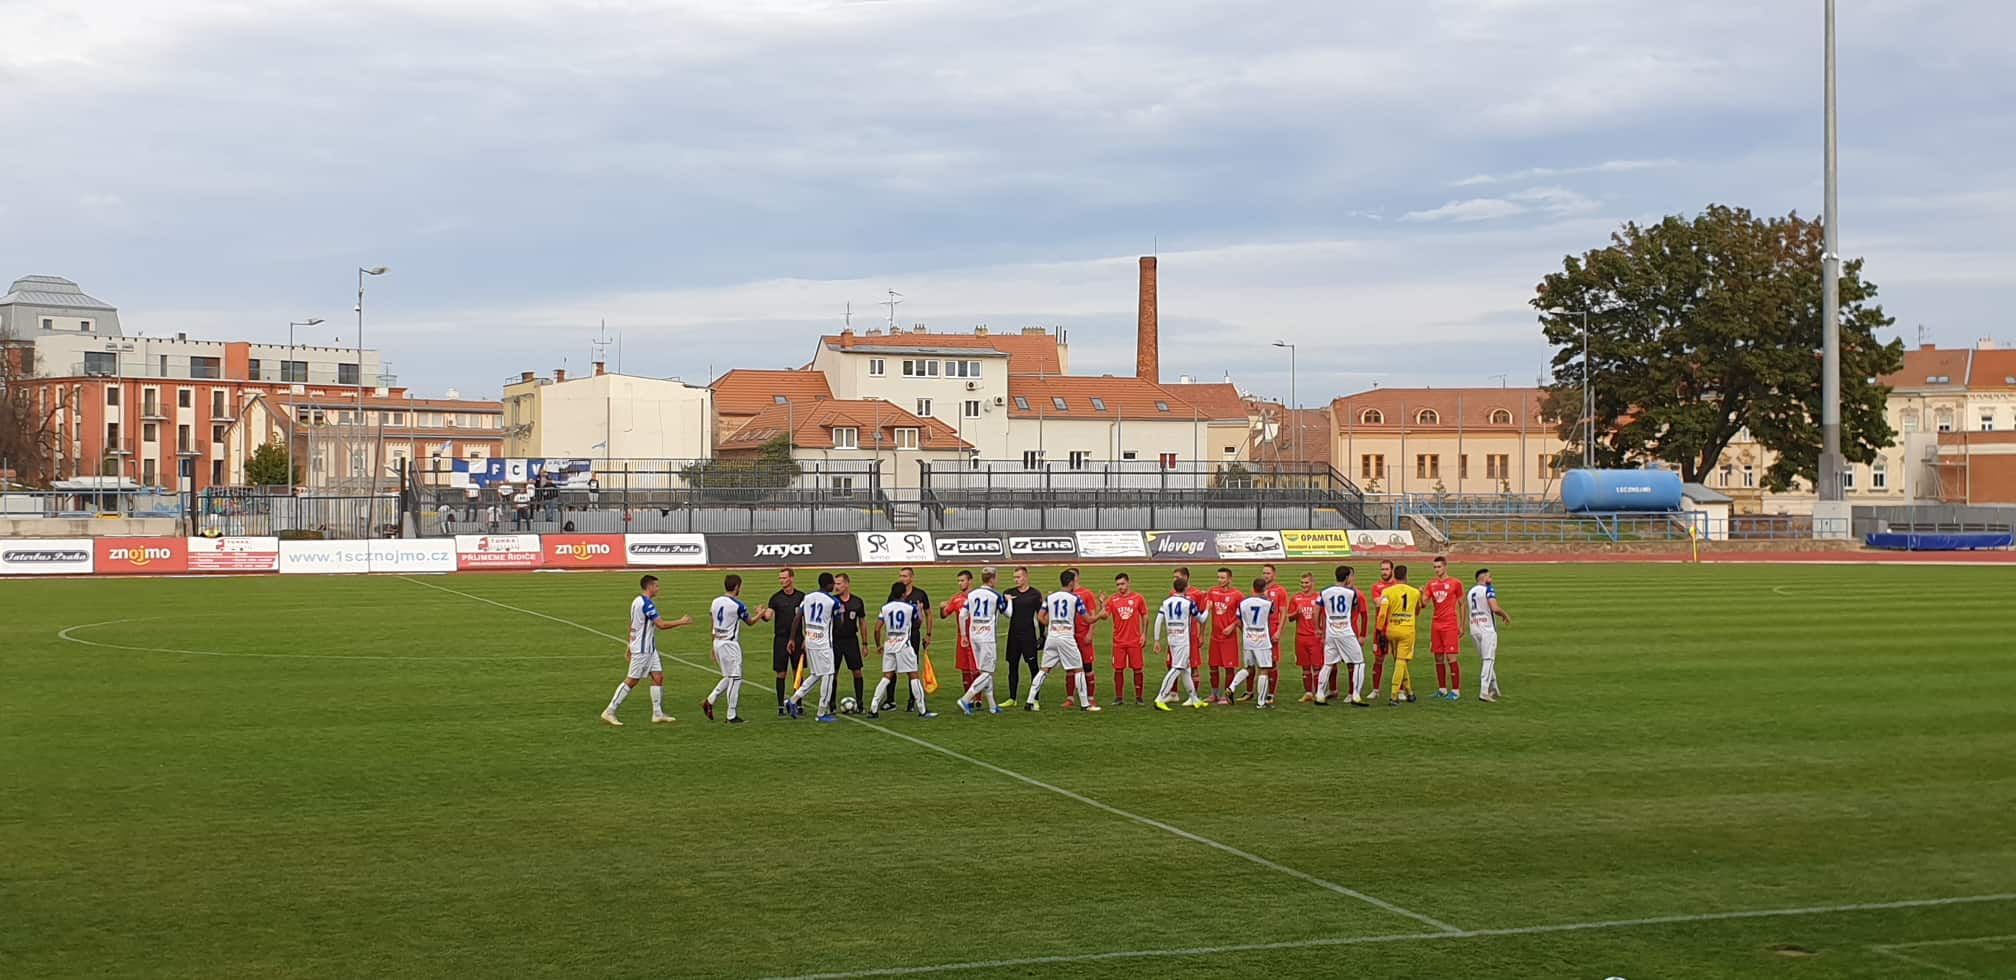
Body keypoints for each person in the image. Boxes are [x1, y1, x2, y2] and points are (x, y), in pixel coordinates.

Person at [601, 574, 692, 726]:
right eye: (656, 586)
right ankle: (610, 711)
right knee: (632, 680)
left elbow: (632, 625)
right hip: (643, 650)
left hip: (649, 649)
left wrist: (629, 645)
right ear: (649, 586)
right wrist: (682, 621)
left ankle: (657, 713)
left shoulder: (636, 601)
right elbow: (661, 625)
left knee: (658, 677)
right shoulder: (647, 604)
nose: (658, 589)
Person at [1027, 569, 1099, 712]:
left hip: (1052, 636)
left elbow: (1041, 617)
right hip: (1066, 637)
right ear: (1071, 582)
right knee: (1079, 669)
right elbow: (1088, 619)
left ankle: (1030, 700)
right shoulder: (1075, 598)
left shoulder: (1051, 597)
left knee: (1044, 669)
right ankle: (1085, 704)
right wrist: (1101, 614)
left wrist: (1053, 622)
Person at [699, 574, 760, 724]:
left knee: (728, 676)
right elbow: (750, 622)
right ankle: (731, 715)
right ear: (737, 587)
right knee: (736, 678)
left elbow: (712, 622)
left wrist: (712, 644)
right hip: (730, 645)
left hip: (718, 642)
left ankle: (710, 701)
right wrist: (760, 613)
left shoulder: (715, 601)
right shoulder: (737, 605)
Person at [869, 589, 936, 719]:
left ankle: (873, 708)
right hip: (904, 645)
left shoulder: (885, 608)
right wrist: (920, 613)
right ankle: (922, 710)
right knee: (913, 675)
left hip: (889, 645)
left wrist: (878, 645)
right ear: (903, 594)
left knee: (887, 676)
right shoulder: (909, 608)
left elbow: (877, 629)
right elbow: (917, 624)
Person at [786, 573, 843, 721]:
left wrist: (792, 638)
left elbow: (798, 618)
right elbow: (839, 623)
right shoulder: (833, 601)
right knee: (829, 674)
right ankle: (821, 712)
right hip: (823, 643)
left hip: (810, 640)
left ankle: (793, 700)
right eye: (834, 584)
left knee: (816, 674)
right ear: (829, 585)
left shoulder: (808, 597)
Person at [1152, 574, 1209, 710]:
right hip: (1184, 639)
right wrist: (1208, 608)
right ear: (1186, 588)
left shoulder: (1166, 602)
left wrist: (1156, 639)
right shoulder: (1188, 603)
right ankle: (1160, 698)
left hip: (1172, 638)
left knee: (1186, 669)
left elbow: (1158, 620)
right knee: (1177, 667)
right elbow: (1201, 619)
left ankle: (1194, 698)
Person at [955, 567, 1006, 715]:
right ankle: (966, 699)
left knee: (984, 670)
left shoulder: (971, 595)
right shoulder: (995, 595)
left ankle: (992, 705)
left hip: (974, 635)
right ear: (992, 579)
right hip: (987, 637)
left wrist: (964, 636)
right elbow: (1008, 613)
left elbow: (962, 615)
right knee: (988, 672)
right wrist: (1009, 602)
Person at [1318, 565, 1370, 706]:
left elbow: (1319, 610)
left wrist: (1319, 628)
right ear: (1347, 577)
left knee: (1328, 664)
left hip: (1330, 632)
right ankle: (1356, 695)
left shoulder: (1325, 592)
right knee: (1359, 662)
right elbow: (1359, 611)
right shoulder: (1352, 593)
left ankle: (1320, 694)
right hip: (1346, 631)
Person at [1224, 577, 1279, 708]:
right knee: (1264, 670)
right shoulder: (1268, 603)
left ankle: (1231, 687)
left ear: (1252, 588)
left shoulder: (1243, 603)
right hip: (1262, 640)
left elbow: (1238, 619)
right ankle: (1261, 702)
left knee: (1249, 668)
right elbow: (1272, 612)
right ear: (1264, 589)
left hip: (1248, 638)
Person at [886, 568, 932, 711]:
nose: (902, 578)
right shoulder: (894, 595)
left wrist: (929, 634)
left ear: (912, 578)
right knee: (891, 668)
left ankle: (912, 700)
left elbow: (929, 614)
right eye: (900, 576)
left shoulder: (920, 594)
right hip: (897, 637)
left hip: (913, 635)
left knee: (912, 668)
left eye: (905, 576)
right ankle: (890, 700)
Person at [1377, 564, 1423, 705]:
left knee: (1399, 661)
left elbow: (1382, 613)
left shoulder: (1387, 591)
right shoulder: (1415, 592)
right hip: (1407, 630)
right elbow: (1417, 611)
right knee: (1401, 661)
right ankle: (1394, 695)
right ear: (1406, 575)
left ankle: (1409, 692)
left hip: (1392, 629)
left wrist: (1379, 630)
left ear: (1394, 576)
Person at [1423, 555, 1466, 700]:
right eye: (1435, 567)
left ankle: (1455, 690)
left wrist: (1462, 624)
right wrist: (1421, 594)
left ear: (1446, 566)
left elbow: (1462, 604)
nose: (1437, 570)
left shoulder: (1455, 583)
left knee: (1451, 657)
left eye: (1439, 567)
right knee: (1438, 656)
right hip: (1436, 624)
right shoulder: (1431, 584)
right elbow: (1424, 604)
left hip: (1450, 623)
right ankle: (1442, 689)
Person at [765, 568, 807, 717]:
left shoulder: (802, 597)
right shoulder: (775, 598)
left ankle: (798, 703)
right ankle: (780, 705)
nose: (781, 580)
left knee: (798, 672)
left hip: (798, 638)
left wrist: (806, 637)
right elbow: (769, 615)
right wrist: (763, 614)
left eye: (783, 578)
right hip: (781, 639)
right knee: (781, 673)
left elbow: (807, 619)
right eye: (780, 578)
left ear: (791, 579)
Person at [1104, 572, 1150, 706]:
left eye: (1122, 584)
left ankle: (1139, 697)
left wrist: (1144, 634)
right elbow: (1105, 615)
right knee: (1118, 669)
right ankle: (1118, 697)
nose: (1120, 587)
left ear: (1129, 583)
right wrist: (1102, 604)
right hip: (1118, 641)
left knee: (1137, 669)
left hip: (1134, 640)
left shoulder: (1138, 598)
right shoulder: (1113, 600)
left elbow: (1145, 615)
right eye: (1118, 585)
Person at [1063, 566, 1105, 709]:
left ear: (1077, 577)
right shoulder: (1065, 594)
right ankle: (1070, 698)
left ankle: (1090, 697)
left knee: (1087, 666)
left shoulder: (1086, 594)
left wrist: (1090, 633)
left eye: (1073, 576)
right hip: (1069, 635)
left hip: (1083, 635)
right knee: (1070, 668)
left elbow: (1092, 614)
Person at [1002, 566, 1043, 707]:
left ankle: (1035, 698)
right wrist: (1006, 601)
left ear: (1026, 577)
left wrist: (1042, 636)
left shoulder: (1035, 594)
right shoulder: (1009, 593)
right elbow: (1003, 610)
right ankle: (1012, 698)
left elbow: (1040, 616)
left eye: (1018, 577)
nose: (1016, 580)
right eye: (1014, 577)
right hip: (1013, 635)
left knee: (1033, 667)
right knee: (1012, 666)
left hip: (1028, 635)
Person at [1468, 568, 1512, 702]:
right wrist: (1505, 614)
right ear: (1484, 577)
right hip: (1487, 629)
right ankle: (1484, 691)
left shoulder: (1470, 592)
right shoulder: (1488, 589)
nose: (1491, 578)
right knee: (1489, 659)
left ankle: (1494, 688)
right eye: (1490, 576)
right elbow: (1494, 608)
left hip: (1474, 628)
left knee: (1486, 659)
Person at [1204, 568, 1245, 704]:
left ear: (1229, 579)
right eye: (1218, 577)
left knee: (1229, 667)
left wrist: (1232, 626)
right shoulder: (1212, 592)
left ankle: (1226, 695)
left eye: (1222, 578)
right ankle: (1214, 694)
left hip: (1229, 638)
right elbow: (1207, 608)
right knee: (1213, 666)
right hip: (1215, 637)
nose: (1220, 580)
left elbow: (1243, 616)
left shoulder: (1238, 595)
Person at [830, 573, 869, 711]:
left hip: (851, 640)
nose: (836, 586)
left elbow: (862, 622)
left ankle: (860, 703)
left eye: (839, 583)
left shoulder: (857, 601)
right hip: (835, 641)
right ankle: (831, 704)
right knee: (833, 673)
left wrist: (865, 644)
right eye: (835, 584)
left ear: (847, 584)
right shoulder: (832, 601)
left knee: (857, 672)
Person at [1286, 572, 1324, 701]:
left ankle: (1319, 692)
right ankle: (1308, 693)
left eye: (1306, 582)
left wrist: (1322, 632)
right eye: (1302, 583)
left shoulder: (1319, 597)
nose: (1304, 585)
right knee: (1305, 667)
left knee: (1317, 666)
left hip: (1315, 637)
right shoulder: (1296, 598)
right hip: (1301, 637)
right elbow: (1290, 617)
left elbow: (1325, 617)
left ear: (1313, 583)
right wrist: (1296, 612)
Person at [942, 570, 976, 699]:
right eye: (959, 581)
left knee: (977, 669)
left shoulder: (976, 596)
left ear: (970, 581)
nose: (960, 583)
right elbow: (944, 614)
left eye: (962, 580)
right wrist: (942, 607)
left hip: (976, 637)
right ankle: (968, 697)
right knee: (965, 669)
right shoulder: (956, 598)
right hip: (962, 638)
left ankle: (978, 698)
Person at [1174, 566, 1207, 697]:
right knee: (1173, 664)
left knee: (1194, 665)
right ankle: (1173, 693)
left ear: (1186, 577)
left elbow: (1202, 617)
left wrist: (1201, 634)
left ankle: (1194, 695)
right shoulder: (1173, 594)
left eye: (1177, 577)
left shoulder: (1197, 594)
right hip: (1176, 635)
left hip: (1191, 635)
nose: (1175, 580)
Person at [1260, 564, 1290, 701]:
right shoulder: (1259, 589)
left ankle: (1271, 694)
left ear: (1274, 575)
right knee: (1260, 662)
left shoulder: (1280, 591)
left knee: (1272, 661)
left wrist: (1279, 631)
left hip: (1272, 627)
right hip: (1260, 629)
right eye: (1264, 573)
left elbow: (1283, 612)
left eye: (1268, 573)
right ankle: (1261, 692)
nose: (1266, 575)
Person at [1367, 560, 1397, 700]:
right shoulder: (1376, 586)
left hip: (1396, 625)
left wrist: (1385, 597)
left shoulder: (1398, 585)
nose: (1384, 572)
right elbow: (1378, 602)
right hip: (1381, 627)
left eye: (1386, 569)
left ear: (1392, 570)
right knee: (1378, 658)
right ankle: (1375, 689)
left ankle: (1401, 689)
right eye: (1382, 569)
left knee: (1399, 658)